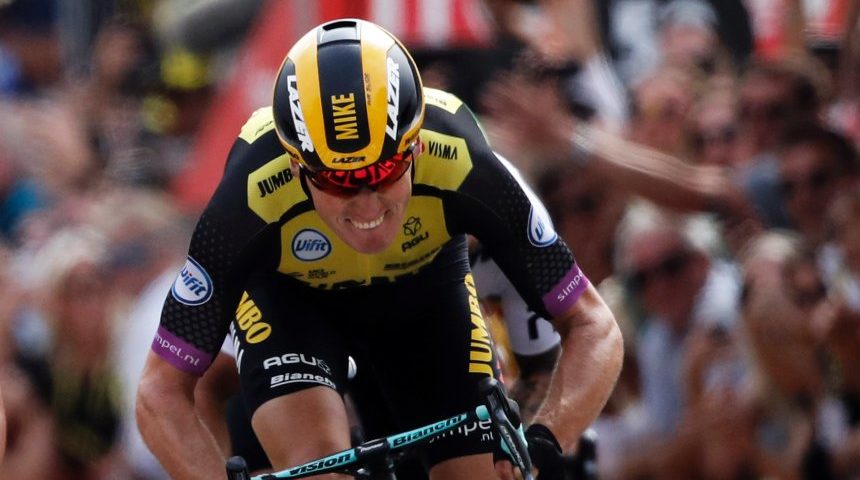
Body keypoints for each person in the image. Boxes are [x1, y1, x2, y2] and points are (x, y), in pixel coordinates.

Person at [136, 18, 623, 480]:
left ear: (416, 147)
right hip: (293, 304)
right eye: (338, 182)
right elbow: (160, 390)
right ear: (296, 165)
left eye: (385, 172)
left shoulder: (462, 158)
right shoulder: (248, 195)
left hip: (426, 295)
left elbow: (594, 325)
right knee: (319, 465)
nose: (367, 204)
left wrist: (547, 438)